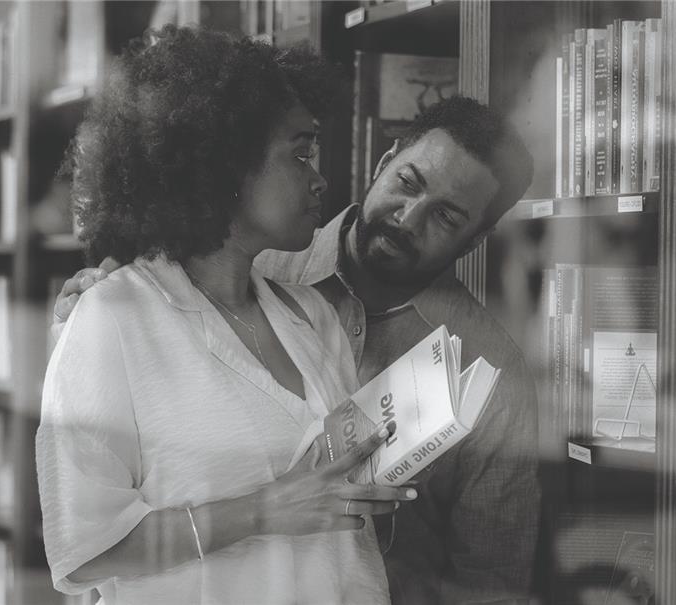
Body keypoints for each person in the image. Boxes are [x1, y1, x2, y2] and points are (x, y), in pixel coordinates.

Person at [54, 95, 541, 602]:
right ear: (383, 161)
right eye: (408, 182)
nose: (408, 218)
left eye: (445, 217)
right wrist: (101, 309)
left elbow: (491, 579)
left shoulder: (491, 371)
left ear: (475, 240)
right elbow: (93, 522)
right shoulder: (244, 267)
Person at [37, 26, 417, 605]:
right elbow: (83, 549)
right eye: (300, 154)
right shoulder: (112, 319)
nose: (320, 180)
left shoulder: (313, 316)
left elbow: (342, 524)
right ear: (225, 168)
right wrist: (263, 511)